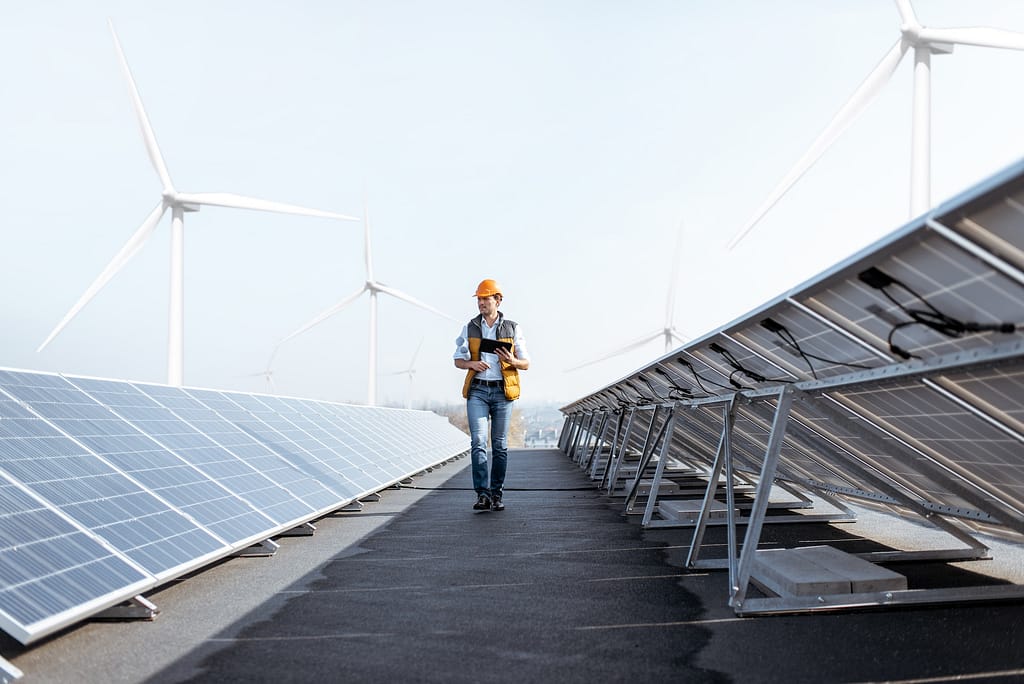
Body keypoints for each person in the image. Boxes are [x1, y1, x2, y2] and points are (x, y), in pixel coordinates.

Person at [453, 278, 530, 511]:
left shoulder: (513, 328)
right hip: (477, 390)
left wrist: (511, 360)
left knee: (499, 445)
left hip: (502, 392)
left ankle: (496, 494)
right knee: (477, 441)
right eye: (479, 299)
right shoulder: (470, 327)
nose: (481, 303)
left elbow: (525, 363)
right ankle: (482, 494)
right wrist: (472, 364)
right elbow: (457, 360)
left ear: (497, 300)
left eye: (485, 299)